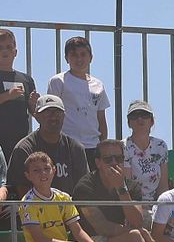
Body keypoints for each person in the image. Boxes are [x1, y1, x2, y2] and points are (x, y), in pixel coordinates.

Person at [5, 94, 88, 195]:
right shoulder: (24, 148)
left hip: (69, 208)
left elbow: (84, 188)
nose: (53, 117)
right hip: (34, 208)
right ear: (36, 115)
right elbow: (20, 188)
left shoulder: (76, 148)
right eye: (47, 112)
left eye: (57, 112)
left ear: (64, 116)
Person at [47, 37, 109, 162]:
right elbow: (51, 114)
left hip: (93, 147)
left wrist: (103, 146)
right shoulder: (58, 81)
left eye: (83, 54)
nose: (79, 59)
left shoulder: (98, 85)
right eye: (74, 55)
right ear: (66, 58)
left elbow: (101, 118)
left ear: (91, 57)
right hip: (67, 144)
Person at [0, 27, 39, 164]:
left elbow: (34, 112)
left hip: (20, 142)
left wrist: (34, 105)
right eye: (0, 47)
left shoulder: (26, 79)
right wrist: (7, 96)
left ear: (15, 52)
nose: (4, 50)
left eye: (8, 47)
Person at [122, 100, 170, 205]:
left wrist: (162, 209)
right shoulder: (123, 147)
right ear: (129, 123)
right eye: (134, 116)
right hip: (133, 204)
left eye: (144, 115)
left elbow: (163, 185)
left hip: (156, 204)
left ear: (152, 121)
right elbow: (128, 186)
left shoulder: (161, 146)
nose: (140, 119)